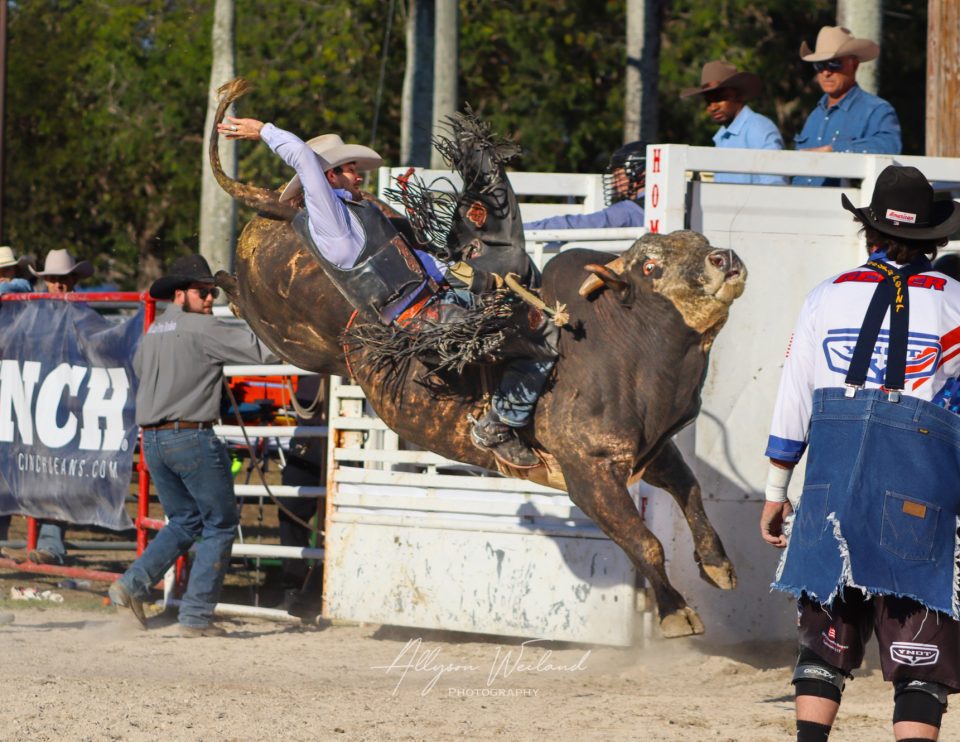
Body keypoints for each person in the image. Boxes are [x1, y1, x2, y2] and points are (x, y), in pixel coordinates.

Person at [218, 116, 552, 469]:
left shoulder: (359, 216)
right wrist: (264, 131)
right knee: (537, 337)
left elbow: (417, 260)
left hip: (436, 303)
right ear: (328, 177)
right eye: (348, 169)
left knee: (528, 307)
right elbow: (303, 158)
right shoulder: (331, 221)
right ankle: (500, 424)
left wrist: (474, 277)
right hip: (423, 320)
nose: (358, 175)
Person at [760, 166, 960, 741]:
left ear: (868, 233)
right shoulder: (953, 303)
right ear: (935, 240)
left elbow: (793, 396)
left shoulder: (825, 296)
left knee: (823, 646)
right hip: (920, 492)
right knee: (920, 661)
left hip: (831, 488)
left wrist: (777, 489)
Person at [109, 254, 278, 637]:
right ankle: (196, 616)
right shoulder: (203, 329)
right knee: (220, 524)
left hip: (152, 439)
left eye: (212, 292)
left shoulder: (152, 333)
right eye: (204, 292)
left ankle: (132, 585)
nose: (211, 298)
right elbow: (263, 351)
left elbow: (137, 370)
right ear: (181, 294)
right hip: (190, 435)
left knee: (185, 520)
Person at [2, 249, 96, 565]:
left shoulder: (78, 314)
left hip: (57, 409)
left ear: (73, 281)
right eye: (54, 280)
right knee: (12, 476)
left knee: (56, 478)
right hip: (27, 405)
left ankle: (50, 546)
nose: (59, 286)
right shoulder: (28, 307)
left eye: (64, 280)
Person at [793, 26, 902, 187]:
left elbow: (889, 147)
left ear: (854, 65)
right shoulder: (814, 115)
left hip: (843, 208)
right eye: (820, 65)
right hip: (795, 204)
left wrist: (834, 149)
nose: (826, 73)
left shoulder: (877, 110)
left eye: (834, 64)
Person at [680, 60, 787, 185]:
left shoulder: (758, 128)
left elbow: (774, 184)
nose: (713, 107)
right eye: (708, 102)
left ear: (738, 95)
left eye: (719, 98)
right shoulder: (722, 137)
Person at [523, 141, 647, 235]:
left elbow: (576, 225)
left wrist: (521, 230)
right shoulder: (660, 207)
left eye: (619, 176)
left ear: (642, 174)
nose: (614, 184)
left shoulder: (628, 212)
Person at [0, 246, 35, 559]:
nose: (7, 277)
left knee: (8, 470)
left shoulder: (18, 290)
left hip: (11, 390)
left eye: (8, 271)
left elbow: (21, 287)